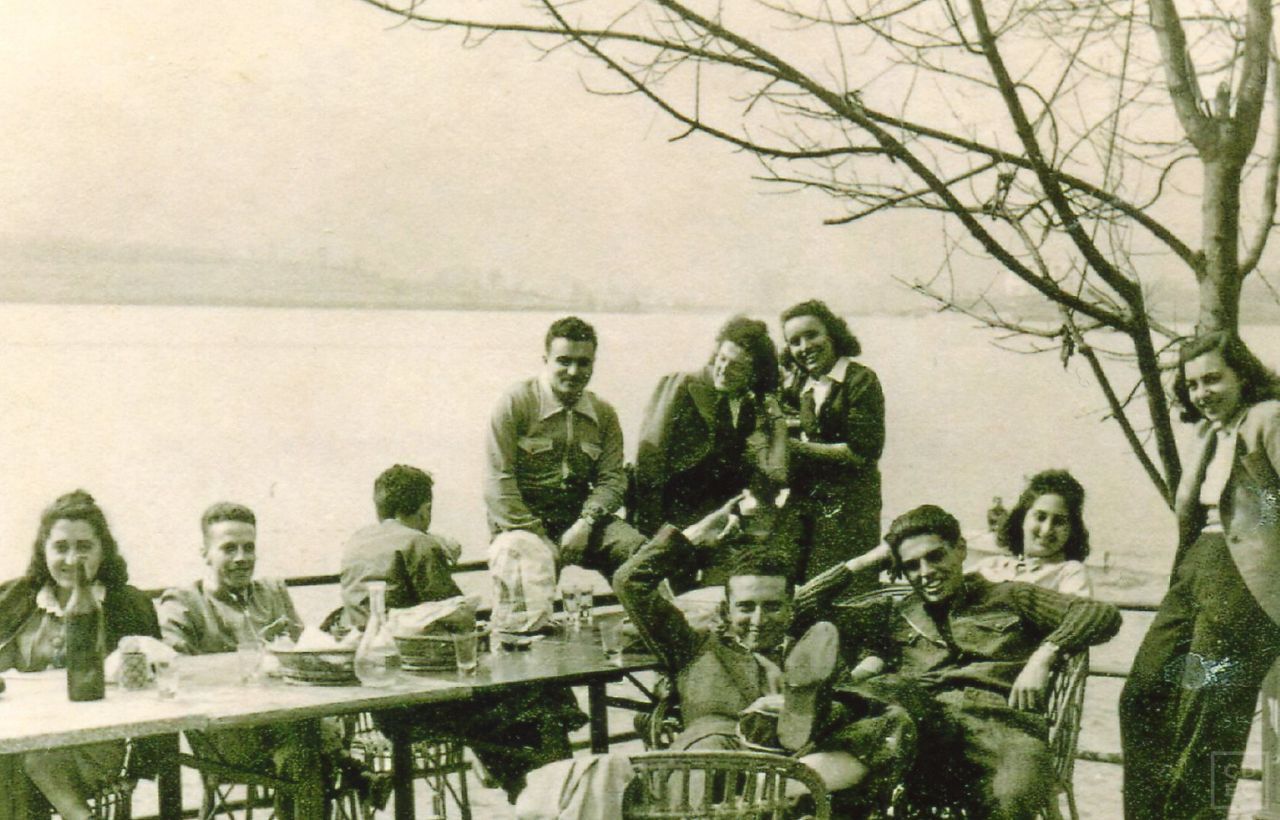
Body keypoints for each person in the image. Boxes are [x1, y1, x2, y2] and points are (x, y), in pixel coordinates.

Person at [517, 497, 903, 819]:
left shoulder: (810, 656)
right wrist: (690, 537)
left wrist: (814, 707)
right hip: (705, 776)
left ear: (790, 609)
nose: (758, 619)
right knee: (714, 741)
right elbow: (630, 582)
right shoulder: (693, 646)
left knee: (883, 721)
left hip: (786, 783)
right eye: (746, 607)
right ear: (727, 609)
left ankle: (778, 768)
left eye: (772, 607)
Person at [808, 504, 1121, 817]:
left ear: (960, 549)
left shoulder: (1011, 596)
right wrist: (866, 561)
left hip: (1000, 727)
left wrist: (1044, 655)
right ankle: (807, 747)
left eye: (935, 556)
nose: (926, 572)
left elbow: (1099, 613)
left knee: (1013, 793)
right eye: (912, 565)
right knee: (887, 697)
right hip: (922, 728)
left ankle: (816, 733)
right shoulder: (896, 612)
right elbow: (797, 611)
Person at [341, 464, 587, 802]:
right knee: (539, 697)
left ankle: (524, 786)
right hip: (425, 701)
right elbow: (458, 617)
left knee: (527, 707)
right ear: (425, 509)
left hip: (379, 702)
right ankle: (551, 798)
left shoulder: (357, 541)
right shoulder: (418, 544)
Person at [1120, 331, 1280, 819]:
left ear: (1243, 375)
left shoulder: (1268, 418)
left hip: (1246, 581)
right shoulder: (1210, 434)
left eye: (1213, 379)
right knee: (1141, 694)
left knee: (1207, 716)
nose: (1202, 393)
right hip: (1195, 569)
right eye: (1192, 385)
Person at [158, 503, 384, 813]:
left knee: (302, 747)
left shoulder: (271, 592)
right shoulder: (184, 602)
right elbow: (173, 670)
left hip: (291, 724)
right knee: (305, 749)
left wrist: (338, 645)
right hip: (228, 734)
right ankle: (352, 769)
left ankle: (340, 773)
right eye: (229, 548)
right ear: (205, 553)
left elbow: (304, 652)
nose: (242, 558)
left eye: (249, 547)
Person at [0, 491, 160, 820]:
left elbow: (155, 681)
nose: (72, 559)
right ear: (43, 551)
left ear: (103, 550)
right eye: (61, 547)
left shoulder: (129, 605)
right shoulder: (16, 599)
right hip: (22, 738)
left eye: (84, 546)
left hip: (96, 743)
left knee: (32, 758)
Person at [484, 316, 645, 579]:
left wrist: (585, 524)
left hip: (581, 519)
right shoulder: (516, 403)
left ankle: (644, 607)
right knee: (529, 564)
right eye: (564, 361)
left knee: (638, 551)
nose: (573, 371)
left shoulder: (604, 414)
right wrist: (539, 538)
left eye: (583, 363)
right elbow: (497, 484)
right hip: (521, 523)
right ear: (545, 360)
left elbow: (612, 480)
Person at [633, 315, 789, 584]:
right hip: (671, 521)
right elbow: (649, 461)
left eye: (737, 366)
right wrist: (652, 535)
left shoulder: (749, 407)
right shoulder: (682, 384)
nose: (724, 370)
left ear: (754, 374)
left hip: (718, 524)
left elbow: (768, 473)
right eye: (722, 358)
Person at [780, 299, 885, 585]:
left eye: (811, 335)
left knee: (840, 586)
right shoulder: (801, 385)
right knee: (783, 576)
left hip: (851, 508)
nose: (804, 347)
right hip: (806, 502)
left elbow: (860, 453)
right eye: (795, 342)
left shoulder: (860, 380)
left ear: (833, 334)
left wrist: (795, 448)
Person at [975, 469, 1093, 596]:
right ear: (1022, 518)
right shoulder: (990, 565)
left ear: (1072, 529)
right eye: (1040, 517)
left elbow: (1076, 608)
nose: (1046, 529)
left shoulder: (1070, 573)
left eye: (1059, 522)